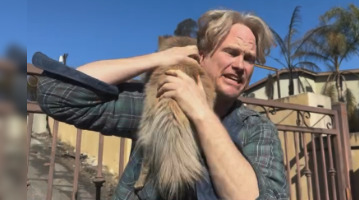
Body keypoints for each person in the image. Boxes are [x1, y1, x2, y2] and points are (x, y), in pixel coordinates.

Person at [35, 9, 288, 200]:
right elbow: (58, 94)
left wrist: (200, 111)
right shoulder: (162, 102)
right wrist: (161, 57)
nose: (241, 66)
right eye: (231, 52)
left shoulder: (257, 129)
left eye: (250, 59)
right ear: (202, 55)